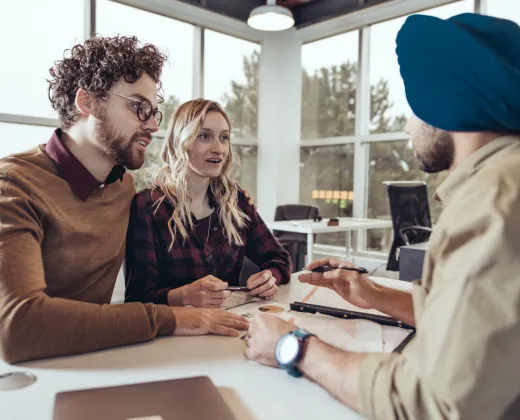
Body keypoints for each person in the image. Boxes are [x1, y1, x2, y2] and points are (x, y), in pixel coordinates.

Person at [245, 13, 520, 420]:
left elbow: (430, 402)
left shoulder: (494, 200)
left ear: (446, 99)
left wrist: (297, 346)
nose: (409, 126)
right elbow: (474, 327)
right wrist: (373, 295)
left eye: (413, 104)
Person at [0, 36, 248, 365]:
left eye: (154, 113)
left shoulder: (124, 187)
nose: (150, 126)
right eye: (137, 108)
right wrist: (174, 317)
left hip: (95, 359)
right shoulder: (14, 183)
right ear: (86, 102)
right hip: (22, 376)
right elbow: (20, 327)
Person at [125, 99, 292, 308]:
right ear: (180, 141)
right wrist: (181, 296)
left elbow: (279, 258)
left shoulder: (236, 201)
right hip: (174, 334)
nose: (219, 148)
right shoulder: (148, 207)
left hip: (230, 326)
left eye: (224, 138)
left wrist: (270, 276)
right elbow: (136, 299)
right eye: (204, 136)